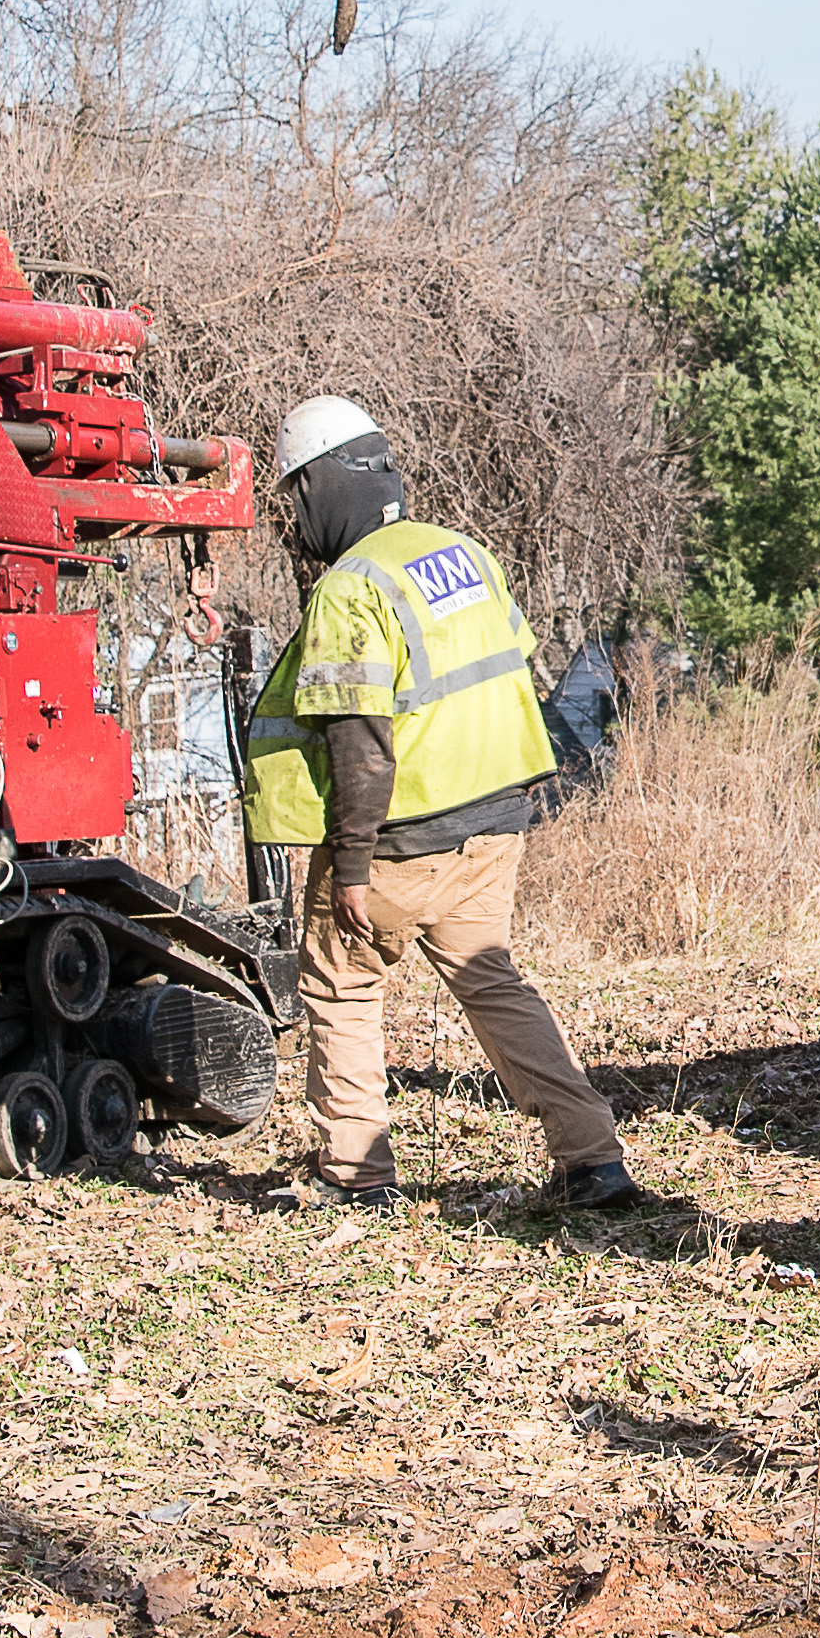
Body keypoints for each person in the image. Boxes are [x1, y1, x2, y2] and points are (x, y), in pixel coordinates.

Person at [238, 397, 641, 1214]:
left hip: (395, 842)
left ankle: (355, 1174)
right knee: (492, 982)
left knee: (341, 986)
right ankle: (592, 1156)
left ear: (320, 485)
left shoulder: (350, 590)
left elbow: (360, 741)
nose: (295, 514)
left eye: (295, 494)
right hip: (495, 823)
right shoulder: (465, 555)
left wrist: (348, 863)